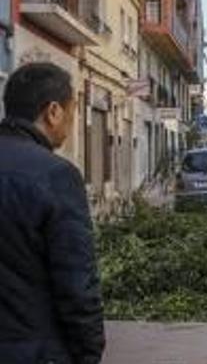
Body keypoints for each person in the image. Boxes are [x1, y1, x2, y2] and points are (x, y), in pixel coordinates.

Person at [0, 63, 105, 364]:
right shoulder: (57, 175)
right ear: (53, 112)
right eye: (73, 113)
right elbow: (76, 283)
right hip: (35, 350)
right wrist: (88, 353)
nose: (71, 124)